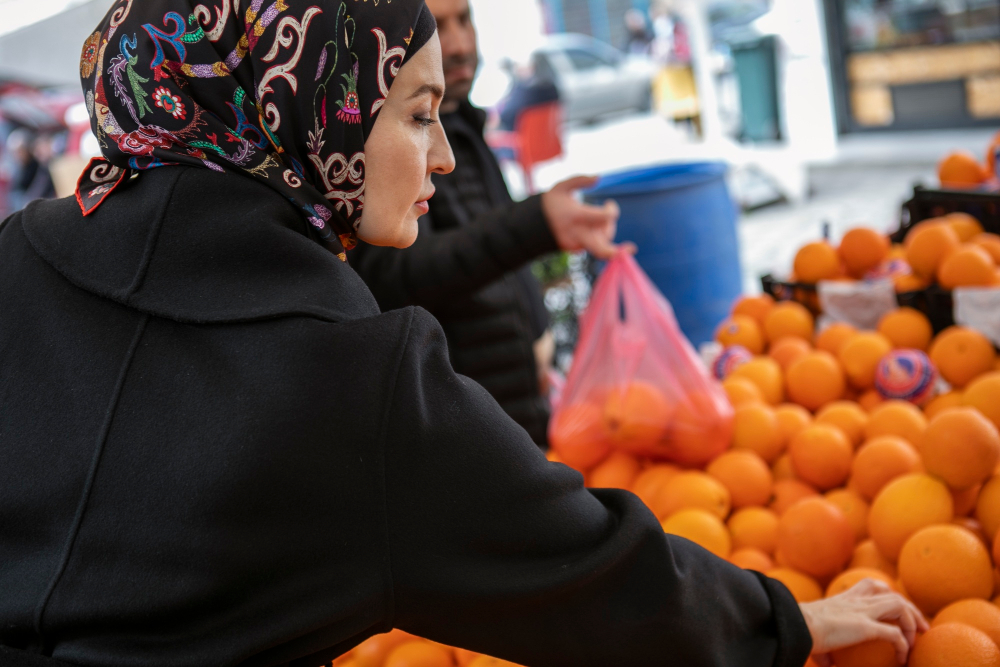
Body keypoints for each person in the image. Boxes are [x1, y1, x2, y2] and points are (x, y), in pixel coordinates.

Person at [0, 1, 924, 666]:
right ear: (311, 108)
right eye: (414, 113)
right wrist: (785, 624)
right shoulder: (354, 375)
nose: (441, 153)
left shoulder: (17, 260)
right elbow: (585, 569)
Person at [350, 0, 624, 447]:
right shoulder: (378, 152)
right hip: (465, 439)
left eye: (465, 20)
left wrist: (537, 334)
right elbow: (396, 275)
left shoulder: (466, 127)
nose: (457, 45)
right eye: (436, 26)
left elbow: (494, 260)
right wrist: (535, 224)